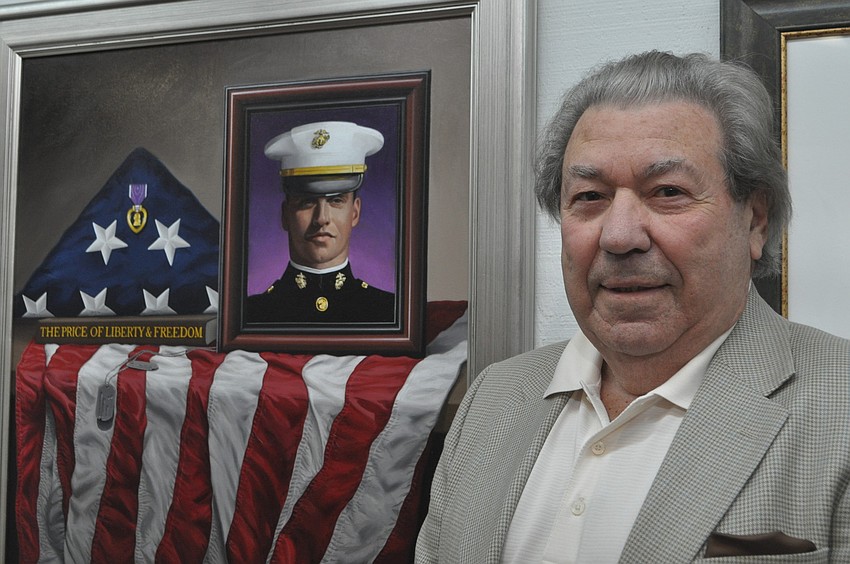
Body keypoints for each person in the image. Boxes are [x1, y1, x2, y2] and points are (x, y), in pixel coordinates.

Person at [416, 51, 850, 562]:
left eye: (667, 191)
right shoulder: (493, 397)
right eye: (590, 197)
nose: (619, 236)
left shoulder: (838, 411)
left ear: (755, 219)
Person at [246, 121, 395, 323]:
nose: (322, 218)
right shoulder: (251, 315)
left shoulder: (388, 312)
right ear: (285, 215)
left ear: (355, 213)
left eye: (336, 201)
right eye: (307, 202)